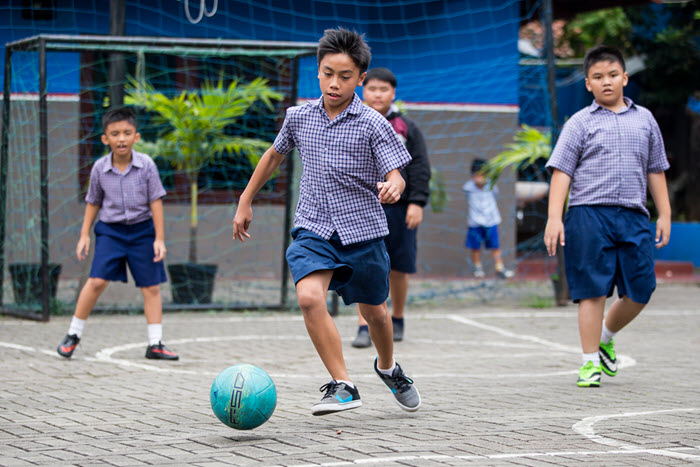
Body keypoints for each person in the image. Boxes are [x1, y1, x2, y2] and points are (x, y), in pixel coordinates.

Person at [232, 28, 421, 416]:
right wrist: (245, 199)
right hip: (314, 227)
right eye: (328, 73)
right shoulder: (299, 116)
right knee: (308, 296)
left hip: (363, 232)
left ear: (361, 79)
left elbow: (397, 171)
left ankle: (387, 367)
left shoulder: (373, 123)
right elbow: (273, 156)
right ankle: (344, 385)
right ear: (317, 72)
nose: (335, 83)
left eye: (345, 76)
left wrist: (395, 185)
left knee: (375, 313)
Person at [544, 45, 671, 388]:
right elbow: (561, 172)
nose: (607, 82)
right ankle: (588, 363)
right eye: (598, 77)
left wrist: (665, 213)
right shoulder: (579, 123)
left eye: (613, 75)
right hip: (588, 215)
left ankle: (605, 336)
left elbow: (656, 169)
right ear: (588, 84)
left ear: (625, 78)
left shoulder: (645, 119)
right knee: (592, 291)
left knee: (642, 289)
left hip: (633, 216)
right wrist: (555, 218)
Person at [56, 108, 178, 361]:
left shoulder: (146, 166)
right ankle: (73, 334)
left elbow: (156, 201)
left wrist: (159, 238)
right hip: (111, 232)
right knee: (97, 281)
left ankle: (155, 344)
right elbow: (93, 202)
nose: (121, 138)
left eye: (127, 133)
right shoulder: (99, 169)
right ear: (105, 139)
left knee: (151, 287)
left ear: (136, 137)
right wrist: (84, 235)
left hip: (143, 232)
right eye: (115, 134)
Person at [351, 67, 431, 349]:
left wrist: (417, 202)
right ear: (363, 90)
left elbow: (420, 166)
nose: (377, 94)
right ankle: (364, 325)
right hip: (361, 209)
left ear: (393, 93)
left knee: (398, 268)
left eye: (384, 90)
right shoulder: (353, 123)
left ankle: (397, 318)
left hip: (399, 209)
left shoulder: (406, 128)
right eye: (372, 89)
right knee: (363, 267)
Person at [463, 159, 514, 279]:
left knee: (495, 245)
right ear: (472, 175)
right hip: (475, 222)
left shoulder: (491, 186)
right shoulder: (468, 187)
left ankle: (499, 268)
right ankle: (478, 268)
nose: (480, 178)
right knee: (475, 246)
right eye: (477, 175)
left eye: (483, 175)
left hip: (491, 221)